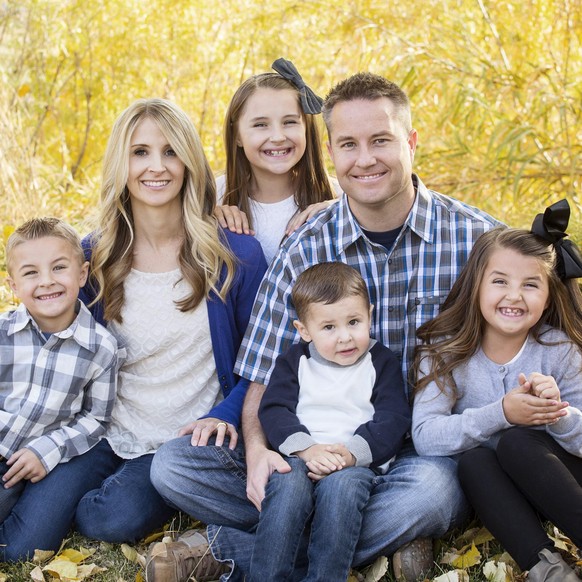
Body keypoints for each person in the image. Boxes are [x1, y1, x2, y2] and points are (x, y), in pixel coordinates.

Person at [151, 72, 501, 582]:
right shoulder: (306, 245)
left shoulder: (475, 238)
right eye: (349, 144)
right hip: (305, 445)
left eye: (381, 140)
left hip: (415, 451)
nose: (365, 159)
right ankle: (376, 547)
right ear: (332, 153)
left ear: (411, 142)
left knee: (434, 493)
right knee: (176, 467)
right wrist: (255, 455)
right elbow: (264, 372)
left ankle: (225, 549)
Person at [73, 98, 267, 561]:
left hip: (184, 440)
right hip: (109, 431)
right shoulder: (94, 256)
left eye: (170, 152)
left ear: (189, 163)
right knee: (40, 497)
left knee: (106, 519)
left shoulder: (235, 255)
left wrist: (226, 413)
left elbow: (265, 358)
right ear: (121, 162)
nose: (156, 167)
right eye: (140, 152)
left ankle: (190, 505)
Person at [412, 202, 582, 582]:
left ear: (549, 295)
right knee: (475, 460)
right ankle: (548, 570)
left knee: (518, 444)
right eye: (500, 281)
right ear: (477, 285)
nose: (514, 296)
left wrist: (558, 413)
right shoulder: (444, 352)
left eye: (530, 285)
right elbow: (425, 437)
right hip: (502, 499)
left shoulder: (559, 350)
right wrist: (501, 413)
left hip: (562, 483)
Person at [251, 262, 410, 581]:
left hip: (355, 464)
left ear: (370, 314)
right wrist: (307, 450)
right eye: (329, 328)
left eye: (354, 322)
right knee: (286, 491)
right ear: (304, 330)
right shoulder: (294, 362)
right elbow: (274, 410)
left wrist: (350, 455)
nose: (345, 337)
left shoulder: (382, 362)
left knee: (341, 494)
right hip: (301, 457)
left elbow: (392, 419)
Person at [0, 217, 121, 561]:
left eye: (58, 268)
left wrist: (48, 449)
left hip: (55, 457)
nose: (47, 282)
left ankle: (35, 507)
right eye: (31, 273)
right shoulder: (2, 334)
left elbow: (97, 419)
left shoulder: (101, 347)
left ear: (81, 275)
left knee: (22, 551)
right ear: (13, 285)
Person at [214, 58, 338, 263]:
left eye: (289, 122)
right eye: (261, 125)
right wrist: (209, 218)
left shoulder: (336, 197)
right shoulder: (216, 196)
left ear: (306, 128)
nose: (278, 137)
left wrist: (342, 210)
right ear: (237, 135)